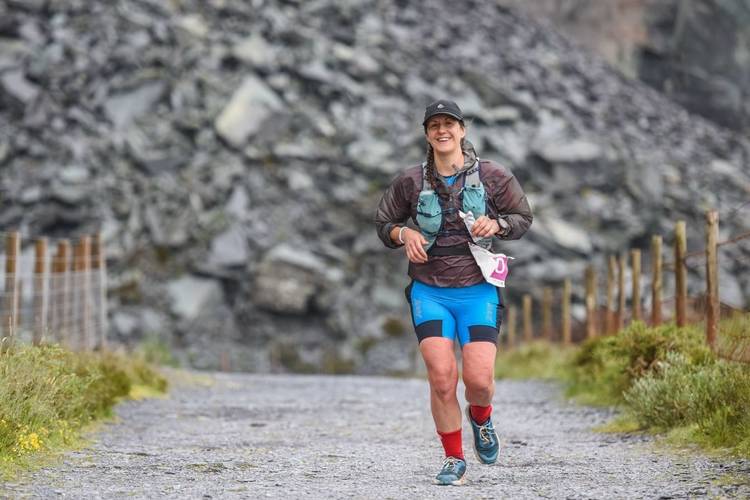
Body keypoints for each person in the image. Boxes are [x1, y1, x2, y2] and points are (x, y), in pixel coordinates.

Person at [374, 99, 533, 485]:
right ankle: (453, 459)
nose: (442, 131)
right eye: (434, 126)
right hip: (429, 291)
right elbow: (384, 223)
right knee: (442, 377)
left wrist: (497, 225)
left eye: (449, 124)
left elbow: (523, 217)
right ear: (427, 135)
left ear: (463, 130)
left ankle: (480, 417)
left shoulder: (494, 176)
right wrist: (404, 233)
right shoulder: (410, 181)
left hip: (479, 291)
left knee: (478, 381)